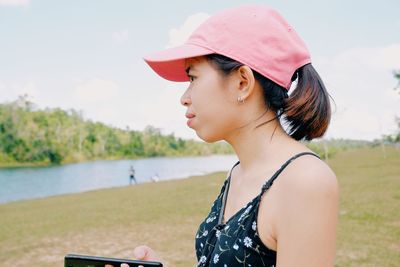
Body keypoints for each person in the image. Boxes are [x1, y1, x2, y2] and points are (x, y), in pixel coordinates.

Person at [129, 5, 339, 267]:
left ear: (242, 82)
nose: (184, 98)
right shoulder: (238, 173)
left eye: (192, 77)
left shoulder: (306, 182)